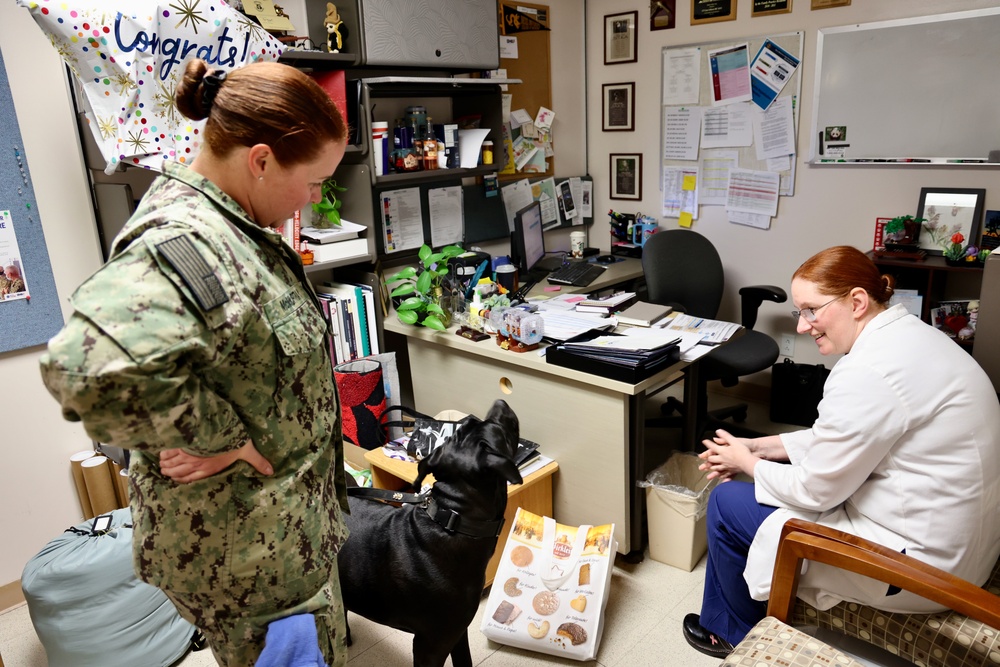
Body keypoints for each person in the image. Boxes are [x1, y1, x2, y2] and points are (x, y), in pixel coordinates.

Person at [39, 58, 350, 667]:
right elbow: (89, 369)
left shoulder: (236, 226)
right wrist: (224, 438)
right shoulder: (190, 239)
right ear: (260, 160)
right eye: (313, 182)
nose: (314, 199)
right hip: (253, 558)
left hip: (282, 535)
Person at [682, 245, 1000, 658]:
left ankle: (733, 634)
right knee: (756, 489)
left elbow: (817, 491)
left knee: (727, 502)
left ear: (856, 302)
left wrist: (746, 463)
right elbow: (846, 436)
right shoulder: (913, 338)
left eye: (812, 310)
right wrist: (758, 444)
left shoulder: (867, 373)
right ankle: (737, 614)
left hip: (920, 568)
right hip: (966, 546)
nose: (802, 325)